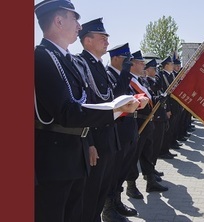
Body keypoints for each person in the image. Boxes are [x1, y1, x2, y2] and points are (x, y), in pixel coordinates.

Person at [34, 2, 138, 222]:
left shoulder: (65, 60)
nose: (79, 26)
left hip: (75, 153)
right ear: (59, 21)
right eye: (75, 19)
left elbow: (84, 101)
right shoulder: (42, 57)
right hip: (55, 159)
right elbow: (68, 112)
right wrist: (117, 110)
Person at [102, 43, 143, 222]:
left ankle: (117, 202)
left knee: (122, 170)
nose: (129, 64)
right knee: (113, 172)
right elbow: (115, 100)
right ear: (116, 58)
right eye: (126, 60)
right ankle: (108, 210)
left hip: (128, 129)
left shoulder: (121, 75)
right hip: (117, 130)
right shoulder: (109, 74)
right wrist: (125, 74)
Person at [125, 50, 169, 198]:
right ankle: (131, 186)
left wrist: (158, 99)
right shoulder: (128, 80)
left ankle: (150, 181)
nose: (143, 65)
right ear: (132, 64)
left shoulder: (141, 80)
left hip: (147, 121)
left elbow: (149, 98)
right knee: (134, 155)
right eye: (140, 62)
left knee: (147, 153)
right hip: (137, 122)